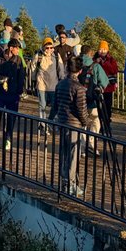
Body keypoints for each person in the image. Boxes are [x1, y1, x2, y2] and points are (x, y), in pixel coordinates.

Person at [54, 57, 90, 196]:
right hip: (74, 124)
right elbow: (81, 109)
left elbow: (56, 105)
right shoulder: (79, 88)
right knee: (73, 155)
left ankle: (65, 182)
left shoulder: (60, 84)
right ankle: (70, 183)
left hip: (62, 122)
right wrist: (86, 122)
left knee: (64, 154)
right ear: (80, 71)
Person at [0, 39, 26, 151]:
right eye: (17, 48)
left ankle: (8, 139)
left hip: (13, 93)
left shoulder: (18, 60)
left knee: (11, 117)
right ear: (11, 48)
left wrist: (19, 91)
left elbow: (21, 77)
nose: (18, 51)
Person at [31, 37, 66, 133]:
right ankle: (43, 125)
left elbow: (61, 69)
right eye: (47, 48)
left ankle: (49, 122)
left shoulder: (56, 56)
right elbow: (33, 69)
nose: (49, 49)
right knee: (42, 105)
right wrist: (34, 80)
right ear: (43, 47)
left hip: (54, 85)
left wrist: (62, 80)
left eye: (51, 47)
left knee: (55, 106)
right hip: (41, 84)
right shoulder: (38, 56)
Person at [80, 45, 108, 151]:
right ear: (90, 53)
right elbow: (104, 81)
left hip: (79, 99)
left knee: (81, 122)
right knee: (95, 121)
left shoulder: (76, 63)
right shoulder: (95, 66)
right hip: (92, 100)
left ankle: (81, 146)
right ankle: (91, 143)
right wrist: (99, 88)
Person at [95, 41, 119, 128]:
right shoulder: (95, 59)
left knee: (108, 106)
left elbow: (114, 70)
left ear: (107, 50)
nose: (102, 51)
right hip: (98, 86)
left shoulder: (111, 59)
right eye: (100, 49)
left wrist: (105, 63)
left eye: (104, 49)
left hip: (109, 87)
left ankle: (107, 122)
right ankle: (100, 124)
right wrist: (96, 62)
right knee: (99, 106)